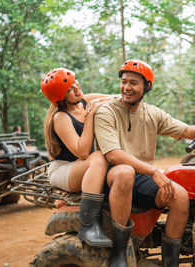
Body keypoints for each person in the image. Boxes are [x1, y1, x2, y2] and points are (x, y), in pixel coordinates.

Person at [94, 59, 195, 267]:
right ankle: (120, 252)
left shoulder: (152, 113)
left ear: (147, 86)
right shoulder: (106, 112)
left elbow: (185, 130)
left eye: (134, 83)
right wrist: (154, 171)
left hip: (141, 176)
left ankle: (170, 262)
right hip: (113, 176)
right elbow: (113, 154)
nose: (127, 87)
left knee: (180, 196)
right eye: (124, 82)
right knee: (125, 172)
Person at [40, 68, 135, 250]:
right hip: (64, 168)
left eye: (74, 82)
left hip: (83, 165)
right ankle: (88, 225)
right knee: (98, 157)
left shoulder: (86, 100)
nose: (76, 87)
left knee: (115, 163)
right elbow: (82, 153)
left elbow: (116, 97)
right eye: (69, 89)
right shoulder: (60, 117)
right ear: (60, 97)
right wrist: (91, 116)